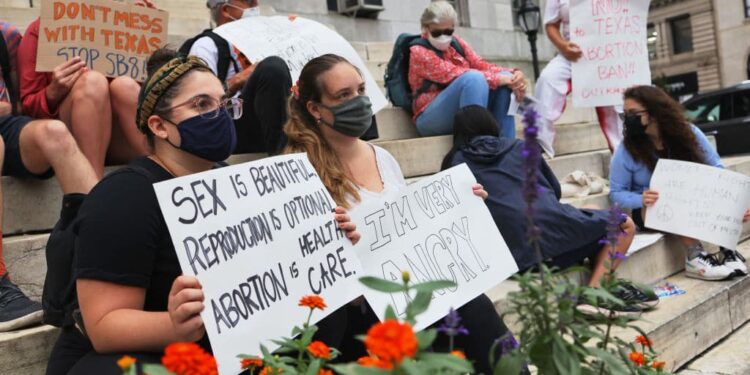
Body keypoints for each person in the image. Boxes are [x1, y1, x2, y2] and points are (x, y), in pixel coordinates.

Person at [45, 49, 360, 375]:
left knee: (331, 316)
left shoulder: (236, 184)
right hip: (135, 357)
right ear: (159, 126)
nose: (219, 114)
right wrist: (174, 325)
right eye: (201, 104)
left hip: (220, 350)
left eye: (223, 103)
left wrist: (327, 246)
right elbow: (105, 327)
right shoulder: (124, 197)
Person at [281, 53, 506, 374]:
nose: (357, 101)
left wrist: (463, 206)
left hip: (409, 293)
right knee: (465, 315)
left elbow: (410, 228)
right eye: (343, 95)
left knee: (472, 304)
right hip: (361, 312)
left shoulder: (383, 157)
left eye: (360, 90)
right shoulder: (301, 173)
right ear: (315, 109)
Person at [441, 105, 653, 316]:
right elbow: (555, 191)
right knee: (624, 225)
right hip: (546, 246)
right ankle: (595, 293)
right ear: (491, 124)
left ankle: (602, 284)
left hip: (512, 259)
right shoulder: (518, 146)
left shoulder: (453, 162)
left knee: (591, 208)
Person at [0, 19, 98, 333]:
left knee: (55, 133)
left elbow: (16, 104)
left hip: (6, 126)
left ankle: (104, 260)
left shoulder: (6, 34)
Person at [609, 85, 750, 281]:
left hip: (690, 199)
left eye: (633, 113)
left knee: (718, 193)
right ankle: (695, 257)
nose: (628, 119)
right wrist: (640, 198)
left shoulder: (688, 133)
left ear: (655, 112)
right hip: (649, 209)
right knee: (668, 199)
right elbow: (616, 193)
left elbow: (717, 169)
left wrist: (736, 207)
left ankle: (727, 252)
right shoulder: (626, 150)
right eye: (625, 114)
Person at [17, 9, 152, 177]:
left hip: (121, 137)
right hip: (71, 137)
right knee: (93, 82)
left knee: (125, 85)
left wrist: (143, 29)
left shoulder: (123, 26)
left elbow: (154, 93)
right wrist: (53, 92)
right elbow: (27, 109)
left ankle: (164, 172)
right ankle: (91, 188)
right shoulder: (39, 31)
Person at [186, 0, 293, 154]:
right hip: (229, 128)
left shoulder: (263, 43)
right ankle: (283, 157)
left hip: (267, 121)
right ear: (226, 10)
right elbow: (199, 105)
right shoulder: (206, 46)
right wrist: (239, 80)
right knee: (272, 68)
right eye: (249, 2)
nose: (256, 6)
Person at [408, 1, 527, 138]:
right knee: (473, 79)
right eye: (437, 32)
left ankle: (506, 146)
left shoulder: (457, 43)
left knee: (504, 80)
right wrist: (501, 79)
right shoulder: (418, 52)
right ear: (426, 28)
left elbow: (482, 65)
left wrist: (514, 74)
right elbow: (455, 73)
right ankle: (476, 145)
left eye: (448, 31)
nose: (443, 37)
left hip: (464, 106)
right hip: (430, 117)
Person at [533, 0, 624, 157]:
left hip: (609, 55)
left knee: (615, 105)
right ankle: (540, 142)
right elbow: (551, 24)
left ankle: (624, 156)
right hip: (573, 55)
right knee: (547, 80)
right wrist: (563, 46)